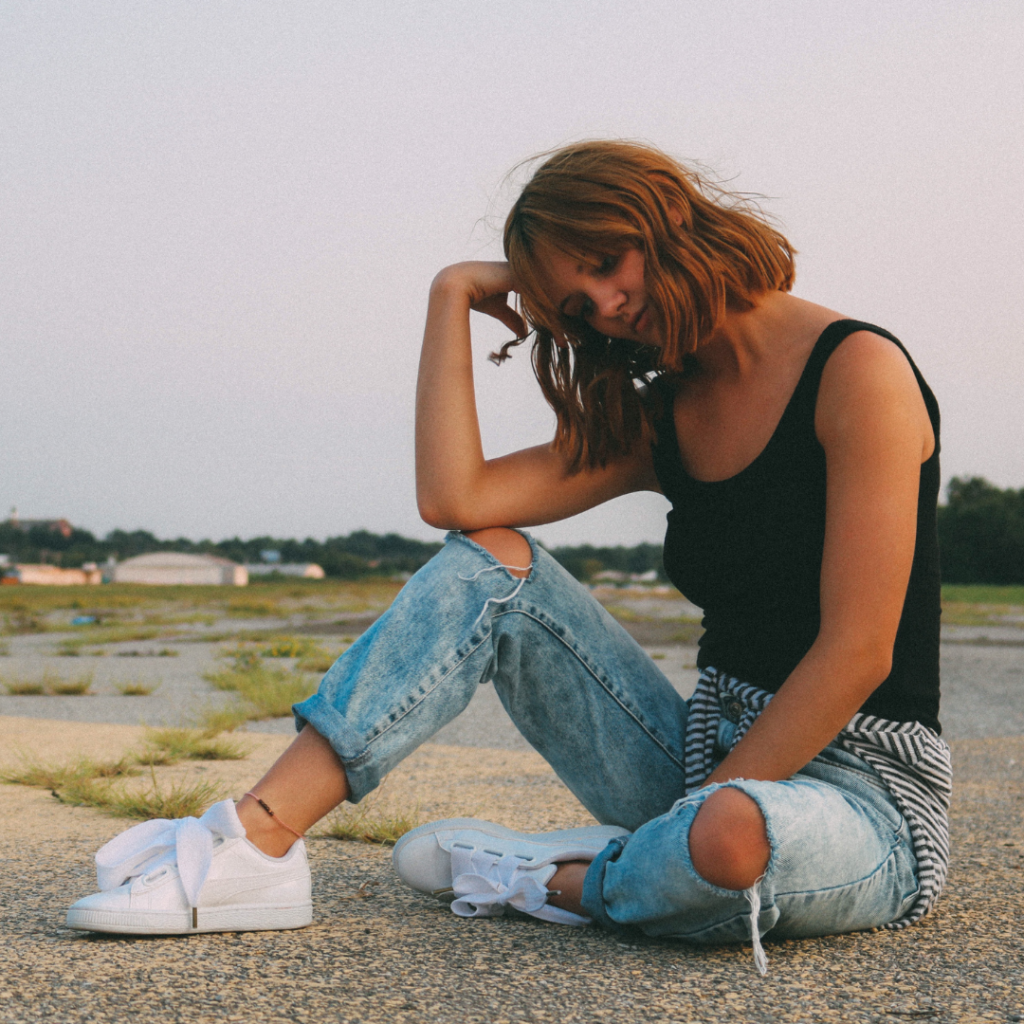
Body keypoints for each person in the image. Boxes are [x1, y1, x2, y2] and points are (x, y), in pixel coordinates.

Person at [66, 141, 951, 973]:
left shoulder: (858, 372)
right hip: (699, 758)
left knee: (725, 840)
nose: (605, 307)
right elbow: (457, 501)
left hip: (863, 789)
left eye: (607, 264)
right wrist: (449, 294)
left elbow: (858, 651)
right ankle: (254, 842)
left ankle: (553, 881)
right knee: (493, 563)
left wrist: (685, 825)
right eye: (573, 305)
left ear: (663, 217)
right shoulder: (669, 411)